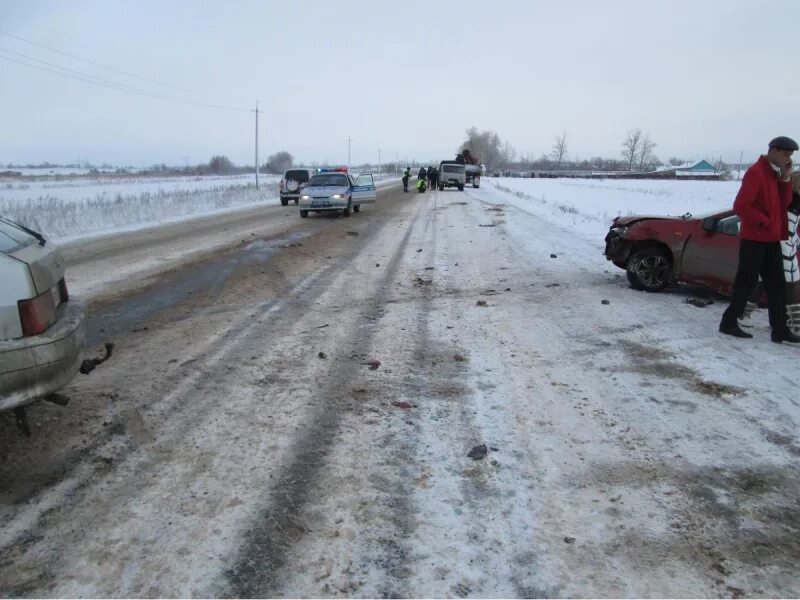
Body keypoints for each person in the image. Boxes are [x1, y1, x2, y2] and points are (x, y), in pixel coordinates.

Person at [719, 136, 800, 343]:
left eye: (790, 156)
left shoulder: (775, 174)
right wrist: (765, 222)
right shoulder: (756, 172)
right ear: (773, 150)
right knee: (745, 282)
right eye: (785, 154)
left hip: (772, 239)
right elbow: (741, 206)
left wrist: (785, 178)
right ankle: (728, 322)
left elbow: (786, 202)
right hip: (754, 238)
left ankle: (780, 331)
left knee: (777, 285)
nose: (787, 158)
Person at [741, 172, 800, 332]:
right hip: (780, 251)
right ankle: (795, 324)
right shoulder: (787, 203)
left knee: (767, 284)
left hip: (786, 250)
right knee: (790, 286)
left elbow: (791, 229)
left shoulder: (793, 204)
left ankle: (744, 314)